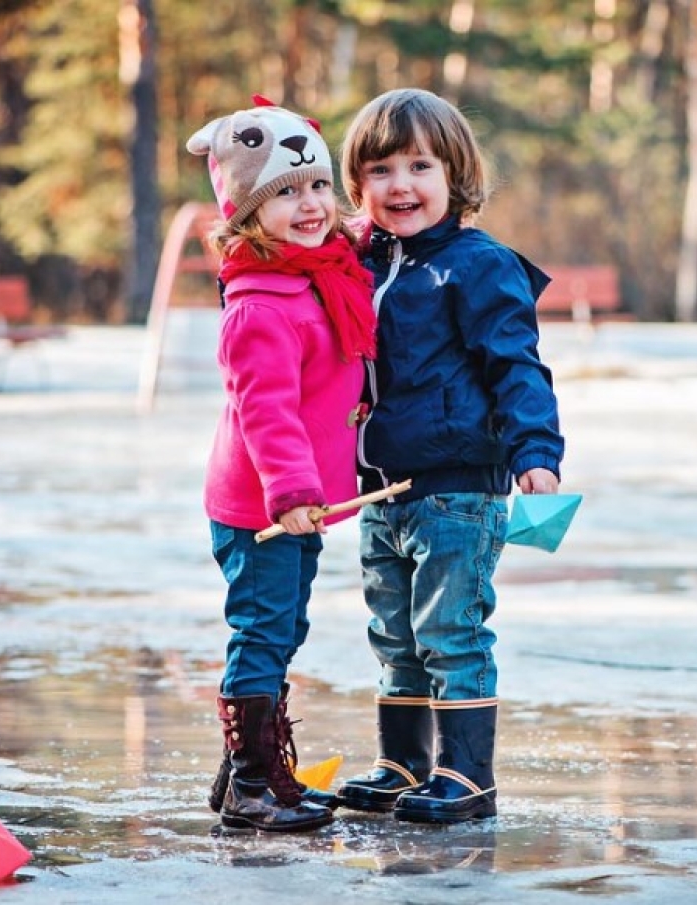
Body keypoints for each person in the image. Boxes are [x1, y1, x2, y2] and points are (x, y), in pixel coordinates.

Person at [333, 88, 565, 824]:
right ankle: (403, 762)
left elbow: (517, 364)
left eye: (418, 166)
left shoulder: (476, 265)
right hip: (383, 490)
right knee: (394, 632)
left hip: (459, 490)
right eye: (380, 170)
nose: (400, 185)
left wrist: (536, 449)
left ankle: (466, 775)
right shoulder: (364, 265)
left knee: (449, 630)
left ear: (454, 174)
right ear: (358, 184)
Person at [185, 97, 377, 833]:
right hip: (262, 505)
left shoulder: (321, 271)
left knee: (283, 626)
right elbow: (266, 410)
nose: (310, 204)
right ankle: (252, 785)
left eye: (319, 187)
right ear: (246, 211)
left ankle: (253, 770)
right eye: (286, 192)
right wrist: (291, 490)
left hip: (303, 501)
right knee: (263, 630)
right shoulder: (260, 303)